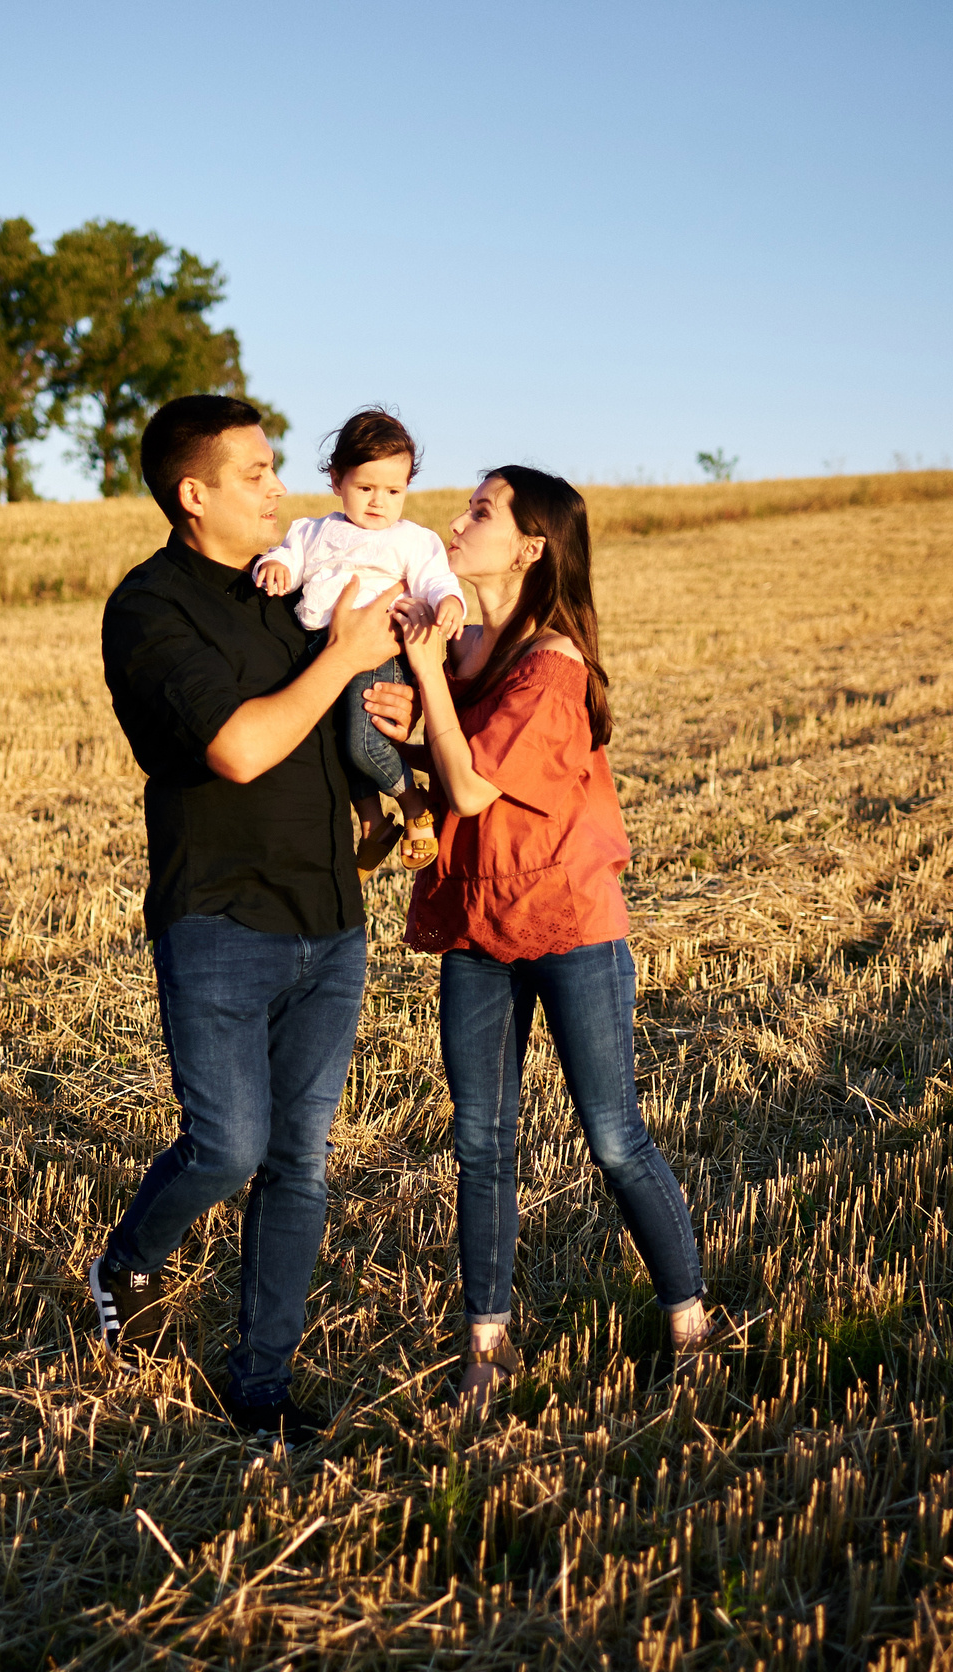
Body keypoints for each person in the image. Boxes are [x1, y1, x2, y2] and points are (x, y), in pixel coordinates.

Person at [91, 394, 410, 1442]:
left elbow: (334, 722)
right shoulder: (150, 609)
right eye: (256, 472)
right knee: (229, 1145)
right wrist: (340, 659)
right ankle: (128, 1262)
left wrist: (388, 736)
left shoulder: (292, 591)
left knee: (298, 1162)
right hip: (221, 916)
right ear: (194, 494)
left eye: (276, 469)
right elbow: (236, 747)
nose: (280, 487)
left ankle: (262, 1385)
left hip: (332, 914)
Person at [365, 465, 712, 1405]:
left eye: (481, 510)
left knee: (614, 1139)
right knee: (480, 1142)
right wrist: (407, 724)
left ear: (529, 547)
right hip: (478, 919)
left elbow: (472, 785)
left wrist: (426, 685)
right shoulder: (469, 646)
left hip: (566, 921)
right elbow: (448, 757)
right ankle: (487, 1346)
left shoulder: (554, 664)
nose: (456, 521)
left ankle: (691, 1326)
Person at [250, 409, 466, 872]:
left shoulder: (412, 540)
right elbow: (285, 559)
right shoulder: (311, 531)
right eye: (365, 488)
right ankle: (372, 823)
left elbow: (437, 581)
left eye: (393, 491)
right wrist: (275, 567)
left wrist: (449, 602)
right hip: (320, 650)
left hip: (375, 655)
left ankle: (413, 805)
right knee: (330, 743)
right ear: (336, 480)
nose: (378, 502)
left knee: (362, 744)